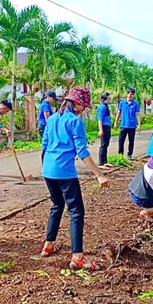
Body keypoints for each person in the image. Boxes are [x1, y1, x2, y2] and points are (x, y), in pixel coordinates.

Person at [40, 86, 109, 271]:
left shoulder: (53, 118)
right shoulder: (75, 121)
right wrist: (99, 174)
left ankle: (49, 243)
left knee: (57, 205)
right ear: (76, 103)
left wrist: (46, 167)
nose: (84, 109)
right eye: (84, 106)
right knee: (76, 211)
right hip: (65, 172)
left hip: (48, 170)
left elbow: (44, 145)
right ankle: (77, 256)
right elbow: (82, 152)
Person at [114, 87, 141, 160]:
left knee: (131, 141)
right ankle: (120, 155)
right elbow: (119, 113)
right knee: (121, 141)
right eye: (130, 94)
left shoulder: (135, 104)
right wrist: (115, 122)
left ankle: (129, 155)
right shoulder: (122, 103)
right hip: (123, 125)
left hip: (132, 126)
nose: (131, 96)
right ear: (127, 94)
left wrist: (139, 125)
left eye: (132, 94)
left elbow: (138, 114)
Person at [97, 92, 112, 169]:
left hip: (107, 126)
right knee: (103, 145)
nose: (110, 100)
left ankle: (105, 161)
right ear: (104, 99)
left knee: (106, 144)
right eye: (108, 99)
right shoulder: (102, 107)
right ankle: (101, 163)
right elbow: (100, 119)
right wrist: (100, 129)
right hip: (104, 127)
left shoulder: (106, 106)